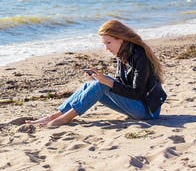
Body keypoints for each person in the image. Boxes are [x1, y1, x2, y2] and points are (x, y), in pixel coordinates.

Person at [27, 20, 166, 127]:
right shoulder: (122, 55)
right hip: (134, 106)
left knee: (101, 85)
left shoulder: (140, 57)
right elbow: (120, 84)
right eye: (104, 43)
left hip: (147, 111)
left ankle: (65, 119)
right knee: (93, 83)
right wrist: (100, 78)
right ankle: (55, 116)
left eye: (109, 42)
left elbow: (137, 93)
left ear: (121, 38)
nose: (106, 48)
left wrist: (106, 82)